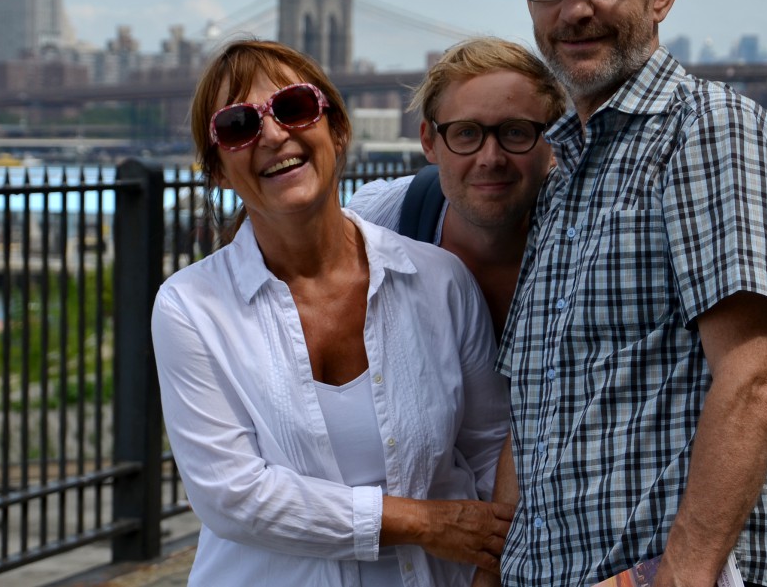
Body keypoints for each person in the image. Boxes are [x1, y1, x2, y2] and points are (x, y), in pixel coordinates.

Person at [487, 0, 767, 587]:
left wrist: (679, 575)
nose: (573, 10)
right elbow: (544, 405)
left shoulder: (704, 129)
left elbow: (755, 373)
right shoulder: (566, 171)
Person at [152, 38, 514, 586]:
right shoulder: (189, 308)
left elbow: (490, 454)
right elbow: (232, 497)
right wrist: (422, 522)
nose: (273, 134)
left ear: (338, 131)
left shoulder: (441, 282)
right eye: (238, 125)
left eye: (294, 108)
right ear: (219, 170)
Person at [348, 37, 566, 342]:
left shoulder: (590, 238)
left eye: (516, 132)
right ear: (428, 142)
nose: (491, 159)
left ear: (555, 142)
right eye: (466, 133)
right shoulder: (380, 221)